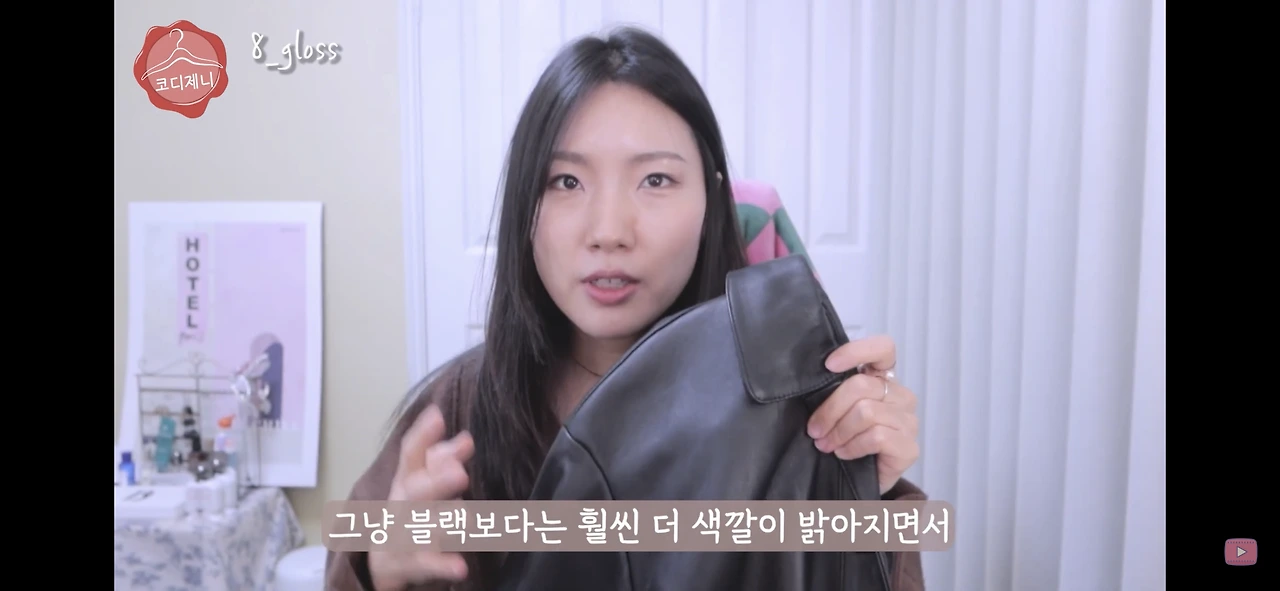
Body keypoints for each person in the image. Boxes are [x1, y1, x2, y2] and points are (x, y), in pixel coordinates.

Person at [327, 26, 926, 591]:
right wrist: (381, 568)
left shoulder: (796, 408)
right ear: (524, 208)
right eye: (566, 182)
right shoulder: (458, 413)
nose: (609, 231)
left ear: (712, 203)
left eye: (656, 180)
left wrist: (861, 492)